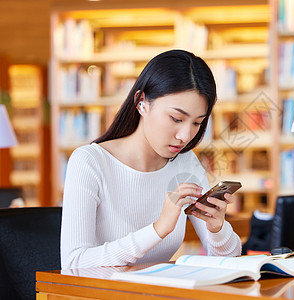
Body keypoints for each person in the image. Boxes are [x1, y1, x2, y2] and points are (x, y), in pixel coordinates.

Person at [60, 50, 242, 269]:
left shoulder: (186, 163)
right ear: (141, 102)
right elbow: (73, 262)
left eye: (197, 123)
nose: (185, 135)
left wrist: (217, 229)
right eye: (176, 118)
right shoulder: (89, 162)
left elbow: (229, 263)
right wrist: (157, 229)